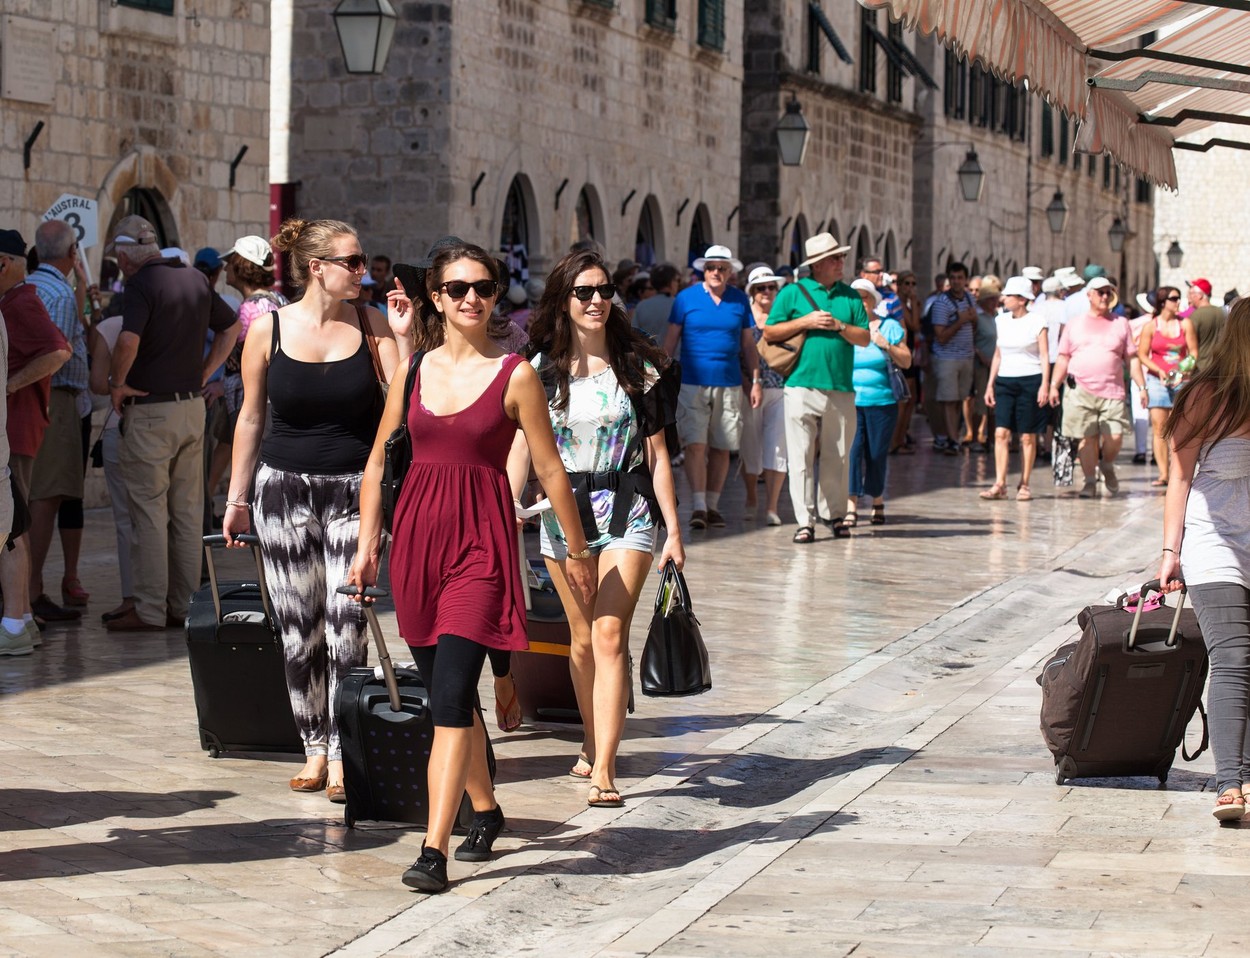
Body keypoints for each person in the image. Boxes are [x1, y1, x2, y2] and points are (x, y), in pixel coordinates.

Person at [347, 241, 596, 894]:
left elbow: (550, 470)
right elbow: (377, 462)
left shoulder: (516, 374)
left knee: (452, 697)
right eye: (457, 288)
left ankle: (433, 850)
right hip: (418, 548)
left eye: (483, 287)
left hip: (482, 549)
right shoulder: (414, 371)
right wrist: (368, 544)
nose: (472, 299)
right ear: (436, 297)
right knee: (446, 698)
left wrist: (576, 551)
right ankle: (486, 809)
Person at [223, 218, 408, 802]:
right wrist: (237, 498)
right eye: (352, 261)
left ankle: (345, 749)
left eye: (363, 260)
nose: (363, 271)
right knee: (298, 631)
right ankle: (315, 747)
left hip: (356, 491)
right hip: (282, 492)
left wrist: (404, 339)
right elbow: (251, 416)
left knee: (346, 627)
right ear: (316, 268)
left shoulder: (372, 325)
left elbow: (406, 403)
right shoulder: (268, 330)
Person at [522, 247, 683, 810]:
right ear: (563, 301)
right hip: (562, 513)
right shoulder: (537, 371)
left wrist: (673, 531)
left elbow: (658, 456)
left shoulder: (639, 367)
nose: (597, 301)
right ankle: (591, 738)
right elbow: (523, 447)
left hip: (627, 506)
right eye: (584, 292)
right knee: (583, 638)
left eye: (604, 291)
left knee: (610, 632)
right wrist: (508, 502)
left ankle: (606, 769)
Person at [105, 216, 239, 631]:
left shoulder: (140, 284)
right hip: (191, 409)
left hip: (151, 412)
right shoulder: (195, 279)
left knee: (148, 513)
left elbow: (128, 340)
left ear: (125, 257)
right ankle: (183, 606)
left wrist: (117, 384)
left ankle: (148, 609)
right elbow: (231, 326)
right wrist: (205, 372)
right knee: (187, 512)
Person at [1158, 297, 1250, 821]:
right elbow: (1180, 477)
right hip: (1214, 543)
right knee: (1234, 658)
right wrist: (1170, 553)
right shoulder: (1205, 395)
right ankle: (1230, 782)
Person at [763, 232, 871, 544]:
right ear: (818, 264)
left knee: (838, 455)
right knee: (800, 457)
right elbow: (770, 331)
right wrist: (805, 322)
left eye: (841, 257)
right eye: (835, 258)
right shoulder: (792, 293)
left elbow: (864, 338)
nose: (841, 262)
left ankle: (835, 515)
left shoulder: (850, 296)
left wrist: (839, 326)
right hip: (800, 384)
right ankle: (804, 521)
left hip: (841, 386)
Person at [0, 229, 70, 651]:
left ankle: (18, 618)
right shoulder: (15, 300)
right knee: (15, 521)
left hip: (16, 428)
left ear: (3, 264)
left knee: (12, 524)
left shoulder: (20, 301)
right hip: (16, 427)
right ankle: (21, 615)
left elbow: (58, 351)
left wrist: (9, 386)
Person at [663, 244, 762, 529]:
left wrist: (755, 381)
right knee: (695, 444)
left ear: (730, 272)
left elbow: (748, 344)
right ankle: (698, 506)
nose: (716, 272)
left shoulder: (739, 300)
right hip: (691, 382)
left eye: (721, 268)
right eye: (710, 267)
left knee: (722, 446)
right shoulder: (685, 298)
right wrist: (661, 375)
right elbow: (671, 339)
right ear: (703, 271)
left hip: (729, 383)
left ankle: (713, 505)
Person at [25, 220, 91, 623]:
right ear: (71, 253)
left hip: (33, 400)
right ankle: (31, 593)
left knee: (35, 494)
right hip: (56, 400)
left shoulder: (28, 285)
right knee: (46, 498)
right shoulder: (60, 293)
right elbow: (59, 353)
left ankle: (25, 591)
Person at [1048, 277, 1144, 499]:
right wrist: (1054, 385)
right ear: (1089, 295)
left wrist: (1142, 387)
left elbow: (1131, 358)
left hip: (1113, 390)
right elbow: (1063, 357)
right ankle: (1089, 481)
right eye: (1100, 292)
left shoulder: (1121, 323)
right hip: (1080, 389)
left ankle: (1107, 464)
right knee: (1087, 438)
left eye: (1108, 292)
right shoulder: (1074, 324)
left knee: (1116, 436)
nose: (1105, 296)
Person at [847, 279, 910, 525]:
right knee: (852, 452)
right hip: (851, 402)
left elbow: (907, 361)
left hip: (882, 401)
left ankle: (877, 499)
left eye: (864, 297)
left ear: (873, 301)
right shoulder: (846, 329)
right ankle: (851, 504)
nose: (859, 301)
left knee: (876, 453)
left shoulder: (889, 326)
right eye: (855, 297)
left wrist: (886, 345)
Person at [981, 276, 1049, 501]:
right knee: (1000, 432)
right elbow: (998, 354)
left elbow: (1044, 355)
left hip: (1030, 379)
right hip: (1005, 380)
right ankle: (1000, 483)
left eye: (1009, 295)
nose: (1004, 299)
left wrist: (1045, 384)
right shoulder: (1001, 320)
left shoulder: (1037, 321)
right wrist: (990, 384)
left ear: (1021, 299)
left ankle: (1025, 483)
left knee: (1027, 436)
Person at [740, 266, 788, 525]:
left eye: (771, 287)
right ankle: (751, 497)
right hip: (749, 388)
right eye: (761, 288)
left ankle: (772, 506)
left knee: (778, 447)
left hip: (781, 387)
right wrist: (745, 381)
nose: (767, 291)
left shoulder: (785, 316)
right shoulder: (744, 315)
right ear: (752, 291)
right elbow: (736, 350)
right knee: (750, 446)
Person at [1138, 286, 1198, 488]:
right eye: (1174, 298)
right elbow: (1142, 355)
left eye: (1179, 298)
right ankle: (1163, 473)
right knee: (1159, 428)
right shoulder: (1150, 326)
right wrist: (1159, 370)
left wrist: (1181, 371)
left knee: (1179, 427)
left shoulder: (1185, 324)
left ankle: (1177, 470)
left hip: (1181, 380)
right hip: (1157, 381)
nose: (1178, 301)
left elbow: (1193, 353)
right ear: (1163, 302)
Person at [927, 261, 978, 455]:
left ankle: (952, 435)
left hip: (966, 356)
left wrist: (972, 319)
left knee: (959, 399)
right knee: (948, 400)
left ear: (966, 280)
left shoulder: (970, 299)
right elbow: (940, 335)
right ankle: (952, 439)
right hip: (947, 358)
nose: (957, 281)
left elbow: (974, 326)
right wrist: (960, 320)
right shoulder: (942, 302)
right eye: (953, 278)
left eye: (960, 278)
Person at [890, 270, 922, 455]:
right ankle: (895, 441)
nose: (910, 287)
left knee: (911, 398)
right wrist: (915, 303)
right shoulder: (900, 304)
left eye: (913, 284)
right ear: (900, 285)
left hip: (909, 353)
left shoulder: (908, 304)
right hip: (902, 353)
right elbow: (914, 325)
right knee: (903, 400)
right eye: (907, 283)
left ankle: (901, 438)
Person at [633, 263, 679, 343]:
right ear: (671, 283)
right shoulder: (679, 305)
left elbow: (634, 333)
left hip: (647, 350)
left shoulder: (641, 306)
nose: (678, 284)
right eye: (677, 280)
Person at [1186, 278, 1224, 373]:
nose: (1189, 297)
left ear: (1200, 295)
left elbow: (1188, 346)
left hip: (1200, 369)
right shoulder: (1222, 312)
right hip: (1219, 367)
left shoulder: (1195, 316)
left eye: (1191, 294)